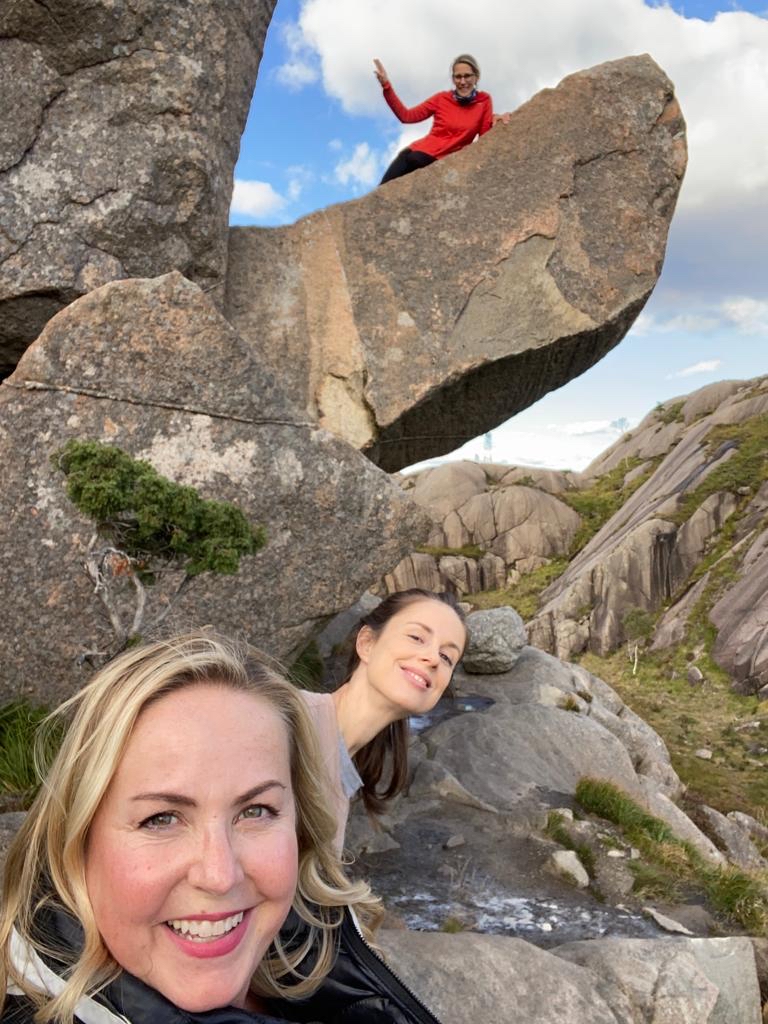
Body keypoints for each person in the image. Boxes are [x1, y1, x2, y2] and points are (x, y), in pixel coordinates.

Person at [0, 633, 440, 1024]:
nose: (219, 874)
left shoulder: (328, 968)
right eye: (161, 818)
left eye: (256, 811)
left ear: (301, 826)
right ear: (77, 841)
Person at [301, 589, 468, 850]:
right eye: (416, 637)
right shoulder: (286, 722)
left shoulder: (341, 774)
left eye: (447, 657)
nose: (434, 658)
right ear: (367, 643)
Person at [374, 54, 501, 184]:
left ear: (476, 77)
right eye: (458, 77)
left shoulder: (484, 101)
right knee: (379, 195)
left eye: (467, 76)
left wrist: (495, 119)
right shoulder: (441, 99)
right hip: (414, 154)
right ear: (453, 79)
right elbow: (406, 116)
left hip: (439, 163)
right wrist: (386, 86)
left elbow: (484, 138)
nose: (463, 82)